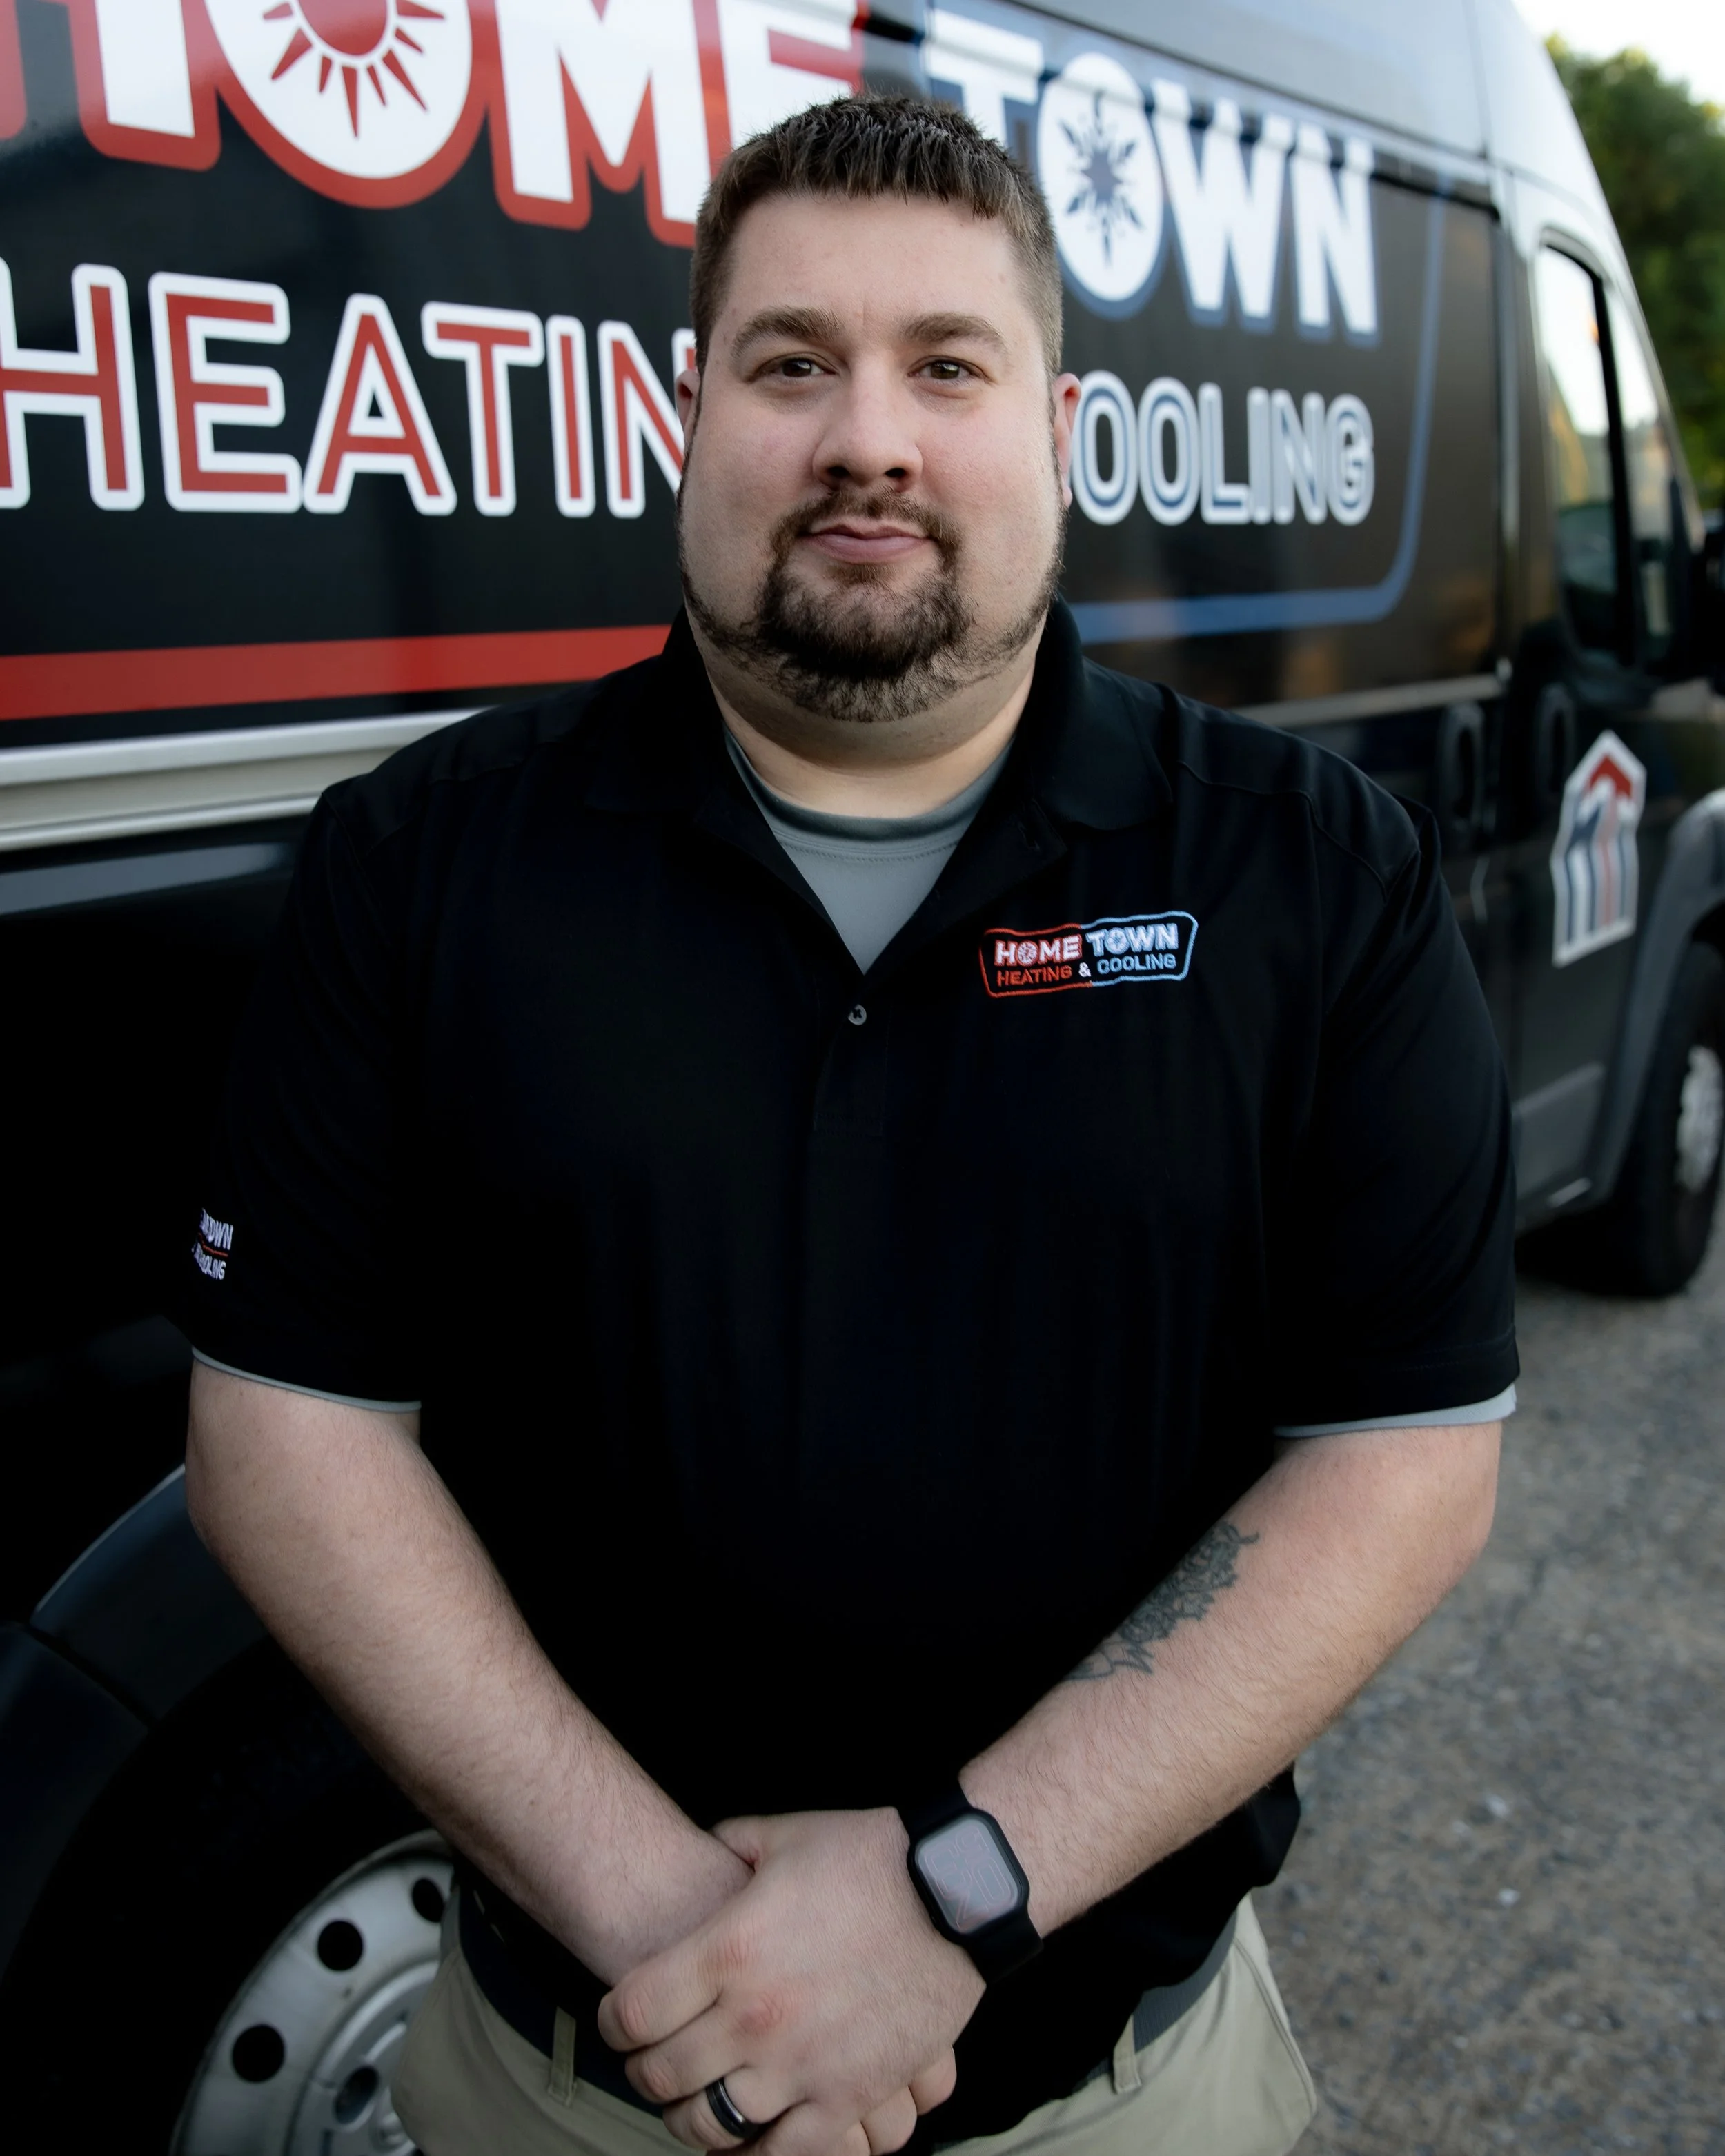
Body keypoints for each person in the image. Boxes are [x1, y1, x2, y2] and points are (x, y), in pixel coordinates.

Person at [180, 94, 1517, 2156]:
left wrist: (955, 1886)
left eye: (945, 367)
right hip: (579, 2077)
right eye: (791, 363)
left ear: (1059, 429)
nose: (866, 437)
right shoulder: (421, 868)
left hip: (1120, 2101)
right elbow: (287, 1434)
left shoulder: (1314, 877)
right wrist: (705, 1952)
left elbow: (1402, 1458)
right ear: (688, 417)